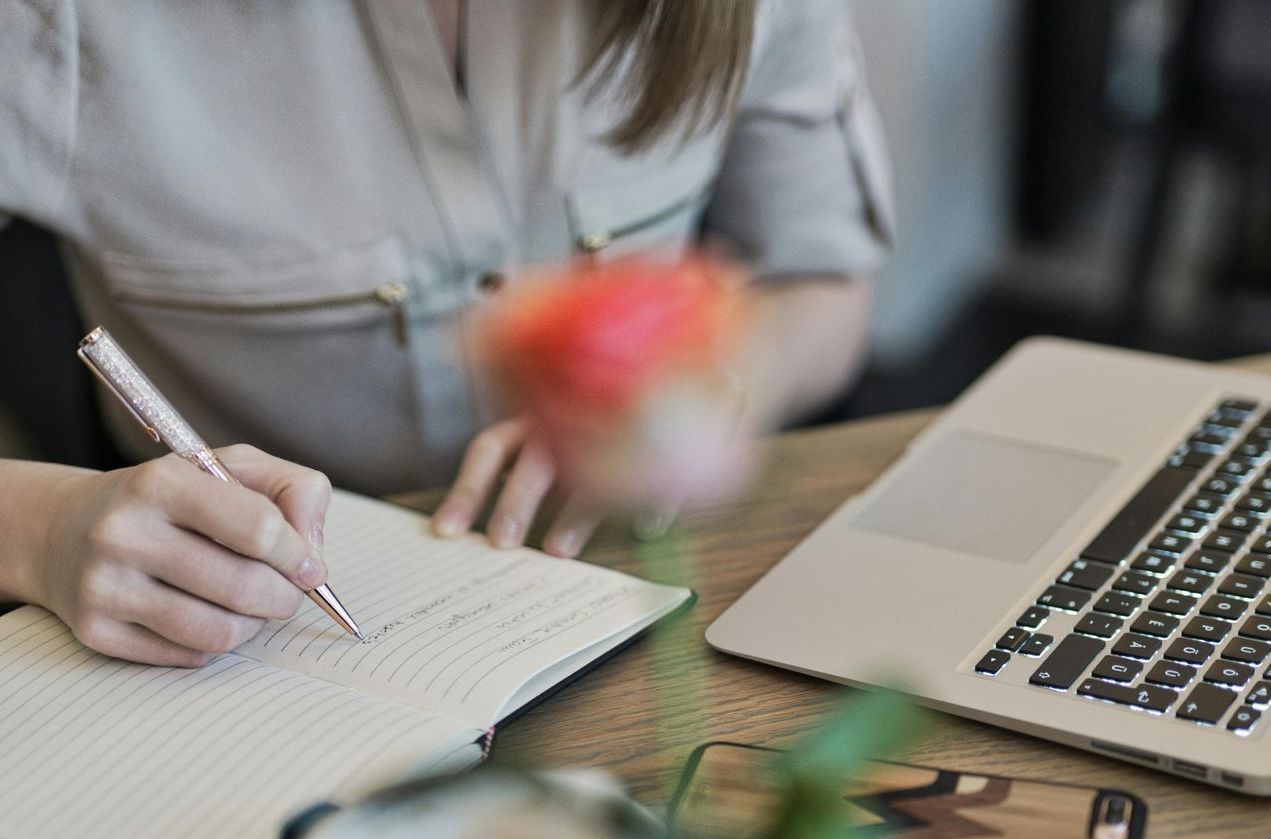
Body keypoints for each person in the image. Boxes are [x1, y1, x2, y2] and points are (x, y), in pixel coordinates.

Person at [0, 0, 894, 666]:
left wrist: (720, 391)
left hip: (652, 589)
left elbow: (820, 282)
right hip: (244, 635)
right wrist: (42, 529)